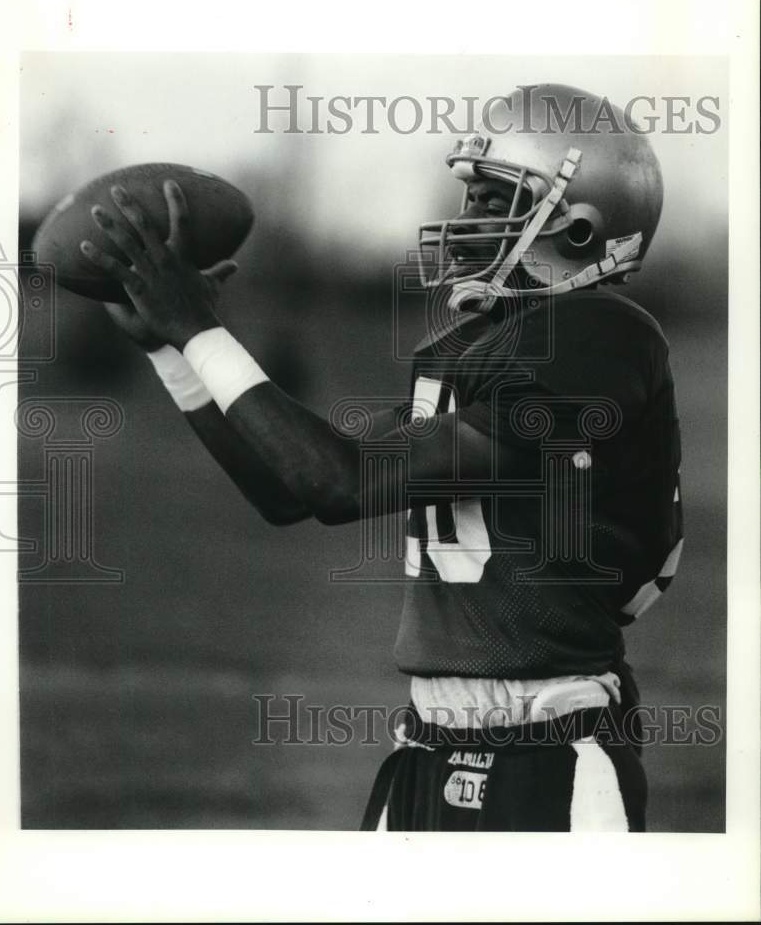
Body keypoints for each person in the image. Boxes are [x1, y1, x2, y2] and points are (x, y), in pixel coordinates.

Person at [80, 83, 683, 832]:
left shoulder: (597, 333)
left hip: (549, 752)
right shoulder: (478, 349)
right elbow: (290, 490)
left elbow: (339, 482)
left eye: (495, 202)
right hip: (426, 745)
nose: (466, 222)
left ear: (581, 228)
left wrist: (202, 326)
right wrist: (176, 352)